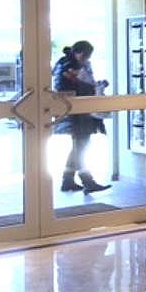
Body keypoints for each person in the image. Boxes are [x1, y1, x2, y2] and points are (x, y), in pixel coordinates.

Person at [52, 40, 111, 194]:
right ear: (79, 53)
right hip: (77, 111)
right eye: (85, 56)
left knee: (78, 146)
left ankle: (68, 180)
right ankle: (86, 181)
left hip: (72, 110)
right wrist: (95, 87)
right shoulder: (71, 65)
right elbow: (80, 86)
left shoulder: (63, 63)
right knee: (81, 146)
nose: (87, 59)